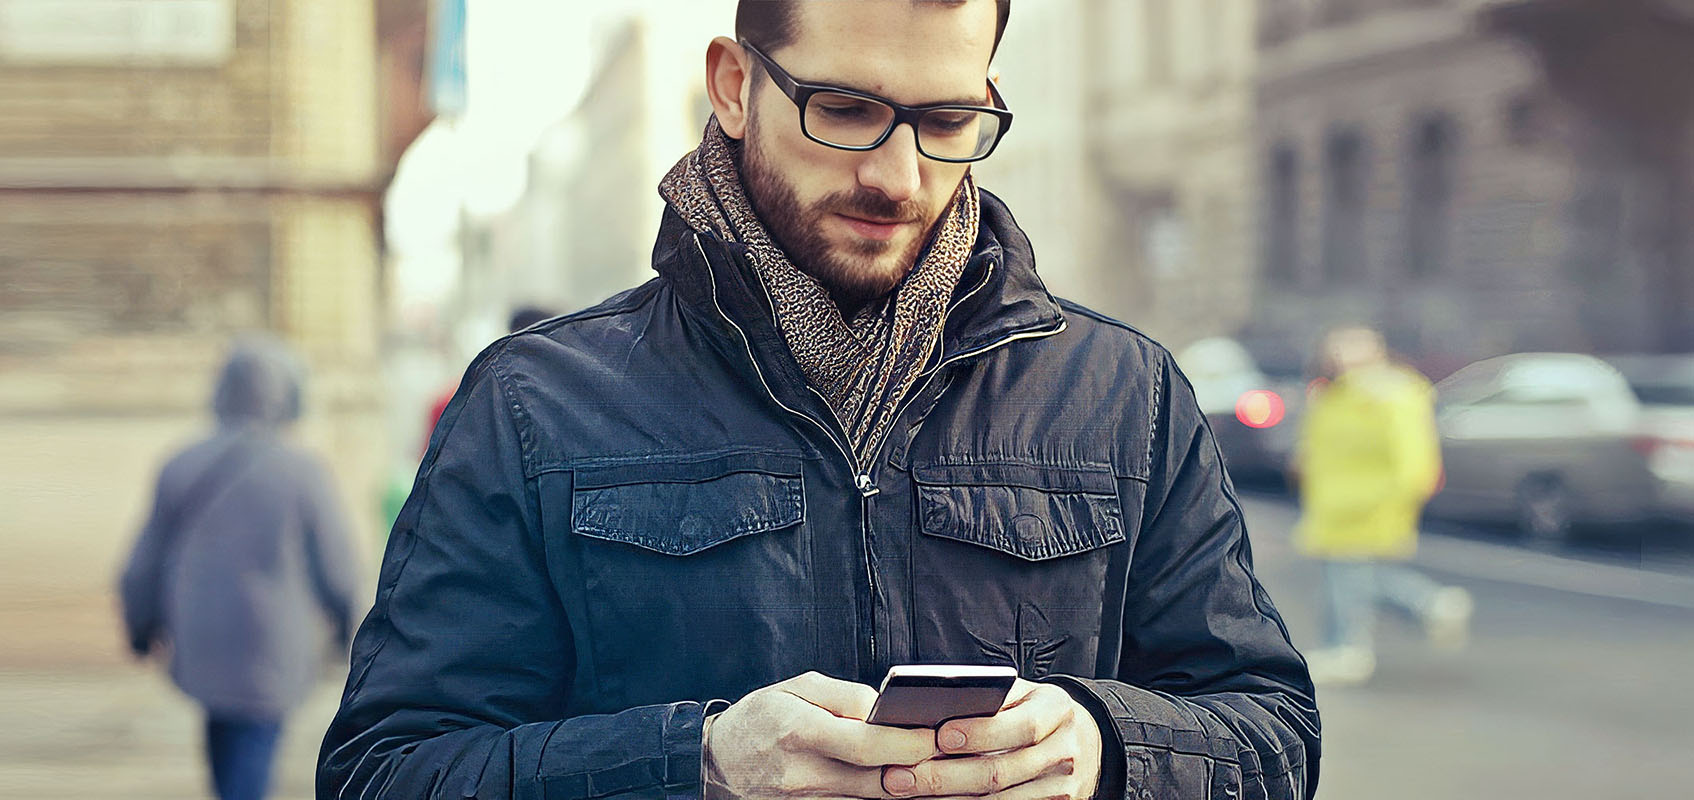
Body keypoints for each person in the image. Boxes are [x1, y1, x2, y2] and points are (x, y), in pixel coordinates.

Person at [319, 2, 1319, 798]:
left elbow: (1273, 731)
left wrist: (1104, 746)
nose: (897, 176)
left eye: (946, 121)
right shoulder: (533, 402)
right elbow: (385, 769)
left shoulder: (1123, 391)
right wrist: (697, 764)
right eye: (843, 109)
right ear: (733, 85)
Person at [120, 334, 361, 800]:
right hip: (272, 641)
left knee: (224, 739)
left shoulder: (182, 464)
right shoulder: (303, 471)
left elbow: (143, 562)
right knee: (252, 750)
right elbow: (338, 563)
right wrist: (349, 627)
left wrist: (139, 624)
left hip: (201, 636)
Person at [1292, 326, 1473, 686]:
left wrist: (1398, 495)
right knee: (1353, 576)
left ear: (1377, 350)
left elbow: (1413, 460)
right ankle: (1431, 603)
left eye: (1350, 347)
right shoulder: (1335, 394)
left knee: (1346, 575)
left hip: (1368, 501)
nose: (1340, 356)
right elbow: (1320, 445)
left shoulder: (1393, 395)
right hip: (1334, 501)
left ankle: (1346, 647)